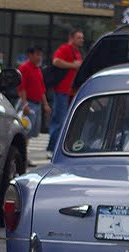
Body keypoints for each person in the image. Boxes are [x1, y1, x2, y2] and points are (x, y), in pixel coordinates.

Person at [46, 29, 84, 157]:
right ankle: (52, 148)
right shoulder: (65, 49)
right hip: (60, 90)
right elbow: (56, 61)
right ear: (71, 38)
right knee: (59, 120)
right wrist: (72, 65)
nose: (81, 40)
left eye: (82, 38)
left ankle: (57, 147)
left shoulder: (77, 52)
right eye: (78, 38)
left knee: (65, 120)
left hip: (69, 91)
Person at [17, 45, 52, 166]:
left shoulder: (38, 69)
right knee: (25, 132)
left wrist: (45, 104)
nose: (39, 57)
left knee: (32, 133)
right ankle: (24, 158)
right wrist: (24, 104)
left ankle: (25, 156)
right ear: (30, 55)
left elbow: (41, 89)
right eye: (36, 54)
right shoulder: (24, 68)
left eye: (40, 55)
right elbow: (21, 87)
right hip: (29, 103)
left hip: (37, 105)